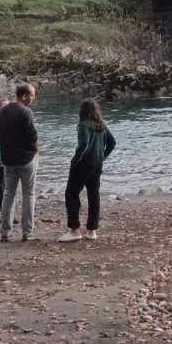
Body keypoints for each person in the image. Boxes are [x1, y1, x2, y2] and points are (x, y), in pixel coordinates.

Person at [58, 99, 117, 242]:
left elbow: (83, 144)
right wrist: (103, 156)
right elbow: (112, 143)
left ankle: (74, 229)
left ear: (82, 111)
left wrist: (75, 159)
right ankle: (92, 230)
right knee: (93, 195)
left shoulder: (84, 124)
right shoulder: (101, 125)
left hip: (83, 164)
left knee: (71, 193)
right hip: (97, 164)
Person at [0, 83, 39, 242]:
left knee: (8, 194)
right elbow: (32, 135)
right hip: (26, 159)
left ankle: (5, 232)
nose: (33, 98)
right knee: (28, 194)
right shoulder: (26, 112)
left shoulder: (2, 112)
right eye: (32, 95)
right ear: (24, 96)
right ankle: (27, 232)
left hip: (8, 159)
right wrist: (36, 149)